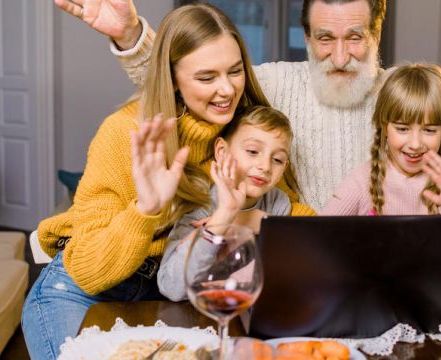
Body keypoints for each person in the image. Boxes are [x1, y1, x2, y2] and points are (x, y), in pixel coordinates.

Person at [53, 0, 441, 211]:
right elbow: (190, 81)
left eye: (356, 37)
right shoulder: (273, 81)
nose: (341, 53)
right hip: (293, 250)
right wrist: (132, 36)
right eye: (325, 37)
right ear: (307, 37)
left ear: (378, 35)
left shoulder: (409, 90)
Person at [21, 5, 312, 359]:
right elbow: (88, 272)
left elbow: (292, 214)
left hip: (172, 289)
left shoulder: (244, 132)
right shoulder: (124, 134)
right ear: (172, 78)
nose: (226, 90)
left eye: (235, 71)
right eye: (206, 78)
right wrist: (146, 210)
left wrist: (248, 220)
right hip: (84, 291)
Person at [322, 63, 441, 227]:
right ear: (384, 128)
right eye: (402, 129)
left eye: (430, 130)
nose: (415, 144)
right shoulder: (363, 180)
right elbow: (317, 236)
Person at [159, 106, 296, 301]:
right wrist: (224, 217)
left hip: (242, 311)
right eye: (252, 151)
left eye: (277, 159)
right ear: (222, 151)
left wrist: (260, 220)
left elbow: (280, 275)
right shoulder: (200, 201)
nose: (265, 166)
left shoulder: (277, 202)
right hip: (195, 314)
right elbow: (171, 287)